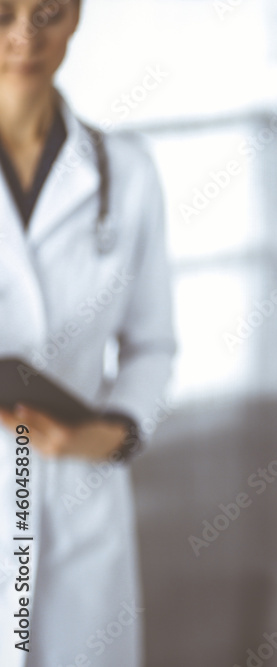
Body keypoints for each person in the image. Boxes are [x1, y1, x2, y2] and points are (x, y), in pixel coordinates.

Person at [0, 1, 175, 665]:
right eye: (3, 13)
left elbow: (153, 343)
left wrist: (114, 431)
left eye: (47, 11)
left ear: (75, 16)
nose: (25, 35)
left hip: (82, 486)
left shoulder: (125, 172)